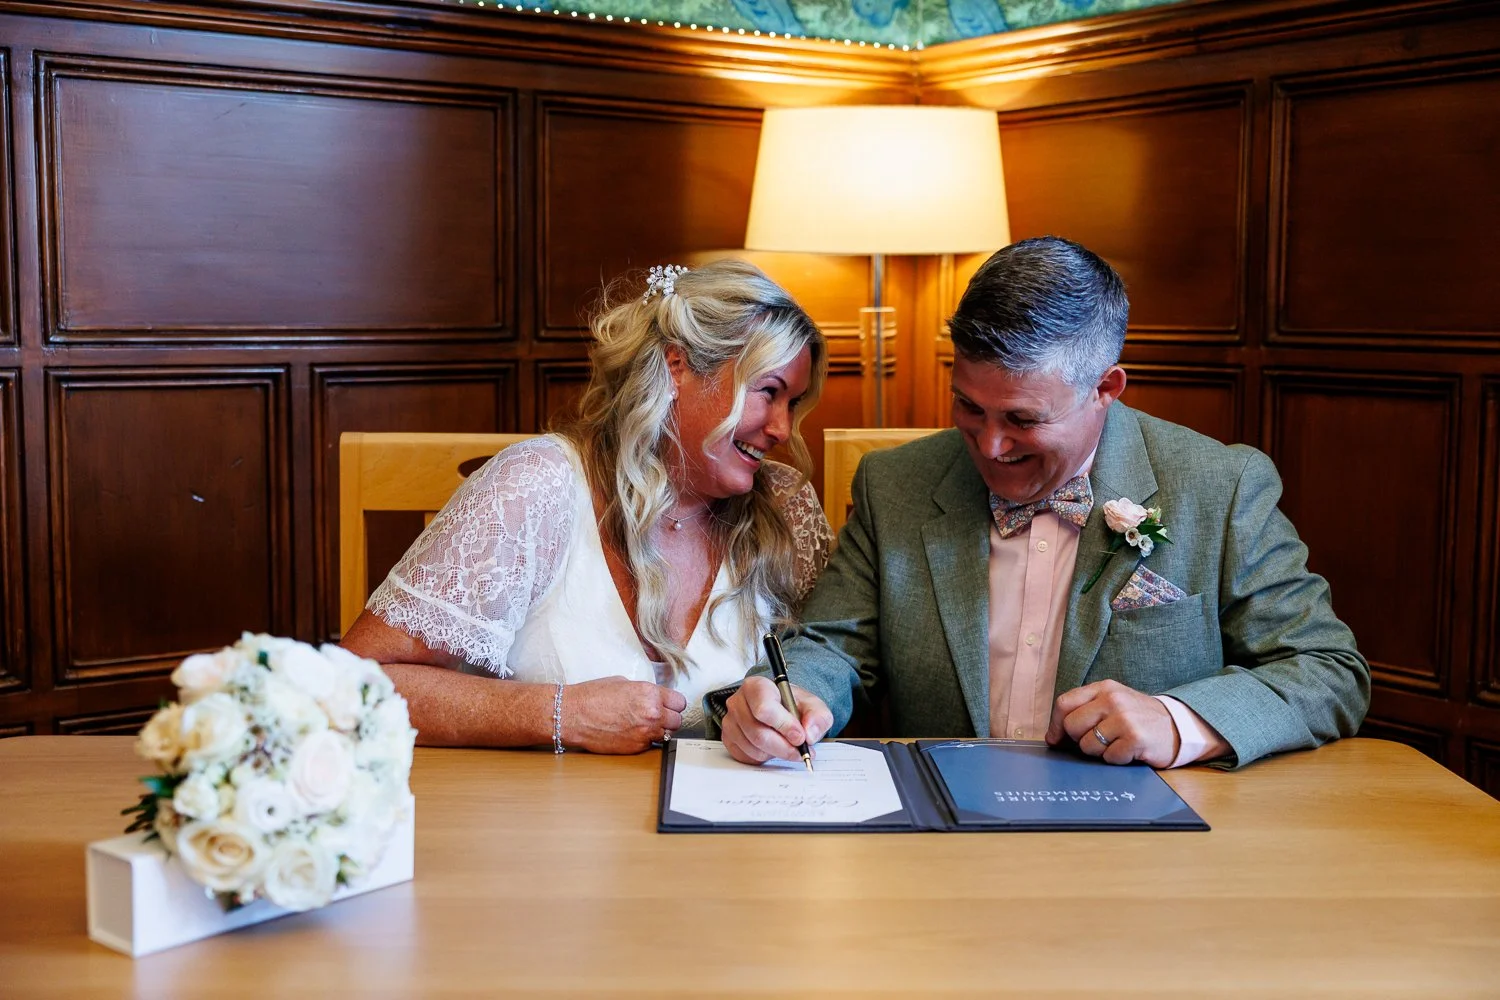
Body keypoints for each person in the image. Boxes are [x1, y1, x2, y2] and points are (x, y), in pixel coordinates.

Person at [717, 236, 1369, 770]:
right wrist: (794, 693)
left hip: (1147, 866)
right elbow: (831, 644)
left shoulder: (1219, 488)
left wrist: (1180, 720)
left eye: (1023, 419)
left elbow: (1329, 672)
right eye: (969, 406)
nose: (991, 446)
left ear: (1106, 388)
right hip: (941, 858)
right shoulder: (896, 485)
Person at [342, 259, 832, 753]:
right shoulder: (537, 489)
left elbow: (827, 667)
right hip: (541, 818)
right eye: (767, 392)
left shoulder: (786, 509)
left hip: (726, 824)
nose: (782, 429)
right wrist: (560, 713)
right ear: (677, 366)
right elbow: (357, 686)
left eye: (792, 403)